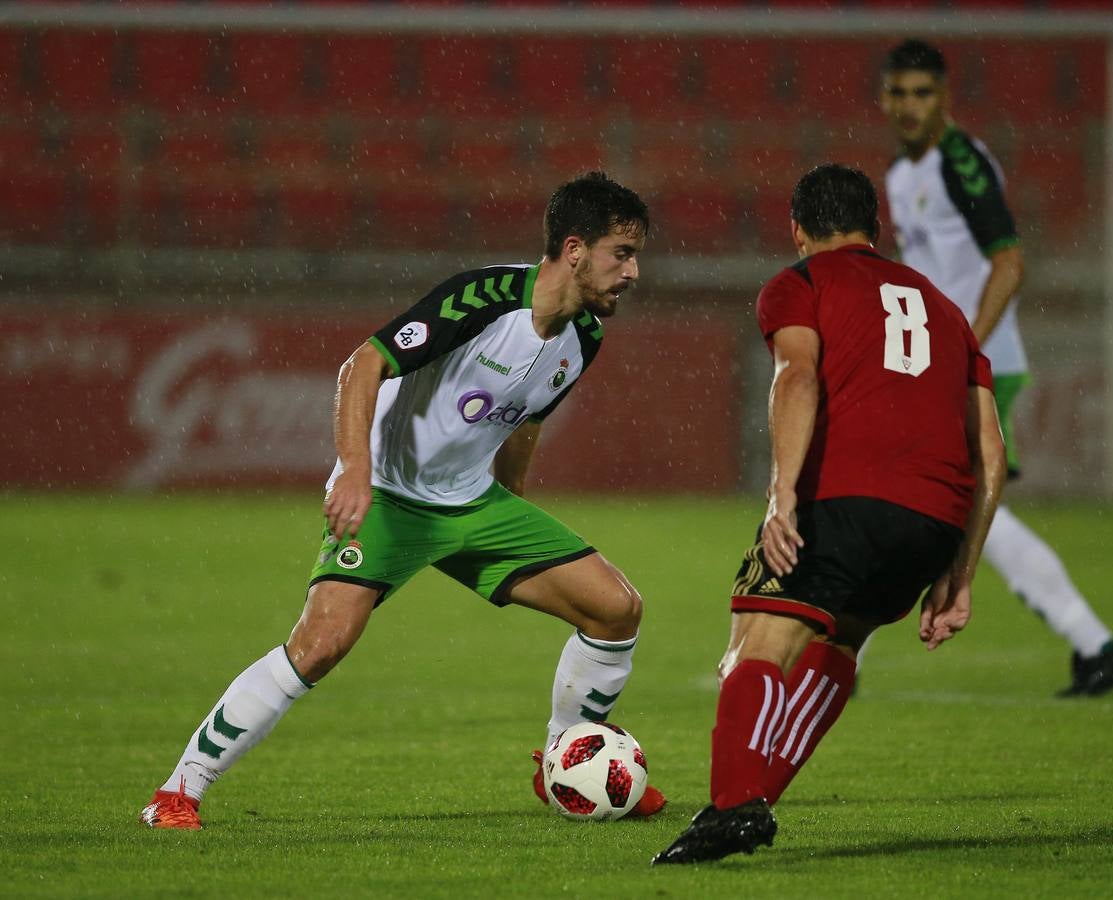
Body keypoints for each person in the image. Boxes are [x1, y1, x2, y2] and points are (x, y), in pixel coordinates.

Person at [139, 171, 665, 830]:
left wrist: (515, 504)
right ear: (577, 249)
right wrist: (355, 471)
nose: (634, 271)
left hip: (474, 505)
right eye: (623, 252)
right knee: (322, 645)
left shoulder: (583, 336)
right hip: (388, 493)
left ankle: (564, 764)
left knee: (616, 610)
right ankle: (177, 791)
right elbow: (363, 364)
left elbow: (525, 421)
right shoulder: (485, 297)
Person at [653, 164, 1007, 865]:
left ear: (798, 230)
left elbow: (797, 375)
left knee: (756, 641)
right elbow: (991, 451)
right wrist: (960, 573)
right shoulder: (944, 309)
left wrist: (782, 494)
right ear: (877, 230)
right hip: (932, 522)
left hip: (843, 500)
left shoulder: (801, 283)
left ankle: (731, 808)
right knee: (837, 643)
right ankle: (748, 802)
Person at [872, 39, 1113, 696]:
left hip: (980, 364)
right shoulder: (903, 176)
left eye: (923, 93)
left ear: (945, 97)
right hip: (943, 364)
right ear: (883, 98)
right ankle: (1094, 643)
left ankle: (1095, 642)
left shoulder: (962, 163)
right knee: (944, 507)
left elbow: (1010, 262)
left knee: (957, 509)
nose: (910, 106)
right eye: (899, 93)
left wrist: (966, 348)